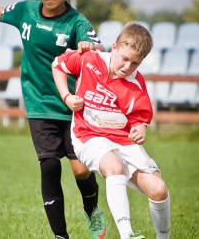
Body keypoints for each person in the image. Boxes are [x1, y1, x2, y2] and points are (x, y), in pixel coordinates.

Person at [0, 0, 109, 238]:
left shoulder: (76, 22)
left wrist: (89, 46)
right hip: (38, 103)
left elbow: (101, 48)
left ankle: (92, 210)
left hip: (73, 104)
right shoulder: (26, 10)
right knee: (49, 166)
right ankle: (61, 235)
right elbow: (1, 12)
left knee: (81, 169)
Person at [52, 22, 171, 239]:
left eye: (135, 63)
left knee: (158, 190)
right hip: (87, 135)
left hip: (122, 141)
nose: (127, 66)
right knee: (114, 167)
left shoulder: (136, 83)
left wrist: (140, 129)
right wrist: (66, 96)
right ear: (114, 47)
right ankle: (127, 235)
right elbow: (58, 65)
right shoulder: (90, 59)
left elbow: (140, 118)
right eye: (124, 58)